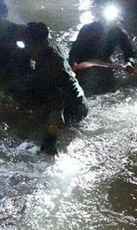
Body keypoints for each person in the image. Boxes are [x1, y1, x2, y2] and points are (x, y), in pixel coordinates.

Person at [15, 22, 89, 154]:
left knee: (49, 142)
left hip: (72, 108)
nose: (25, 47)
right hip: (78, 98)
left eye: (26, 43)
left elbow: (57, 108)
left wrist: (50, 141)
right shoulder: (51, 44)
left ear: (34, 43)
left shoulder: (50, 65)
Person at [69, 5, 137, 95]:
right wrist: (74, 66)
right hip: (84, 61)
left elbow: (129, 53)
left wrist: (129, 63)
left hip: (104, 63)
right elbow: (75, 50)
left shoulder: (120, 33)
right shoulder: (87, 28)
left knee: (111, 90)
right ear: (101, 19)